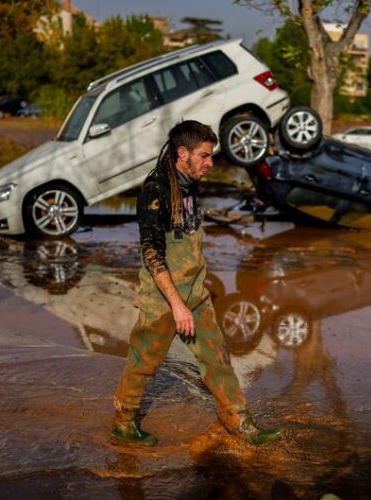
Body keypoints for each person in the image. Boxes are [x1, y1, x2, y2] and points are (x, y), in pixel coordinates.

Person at [112, 120, 282, 446]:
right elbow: (152, 255)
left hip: (195, 292)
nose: (210, 163)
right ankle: (123, 422)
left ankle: (239, 422)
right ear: (182, 153)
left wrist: (196, 294)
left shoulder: (190, 183)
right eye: (204, 155)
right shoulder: (155, 190)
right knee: (143, 363)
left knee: (217, 358)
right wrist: (177, 306)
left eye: (211, 155)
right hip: (163, 297)